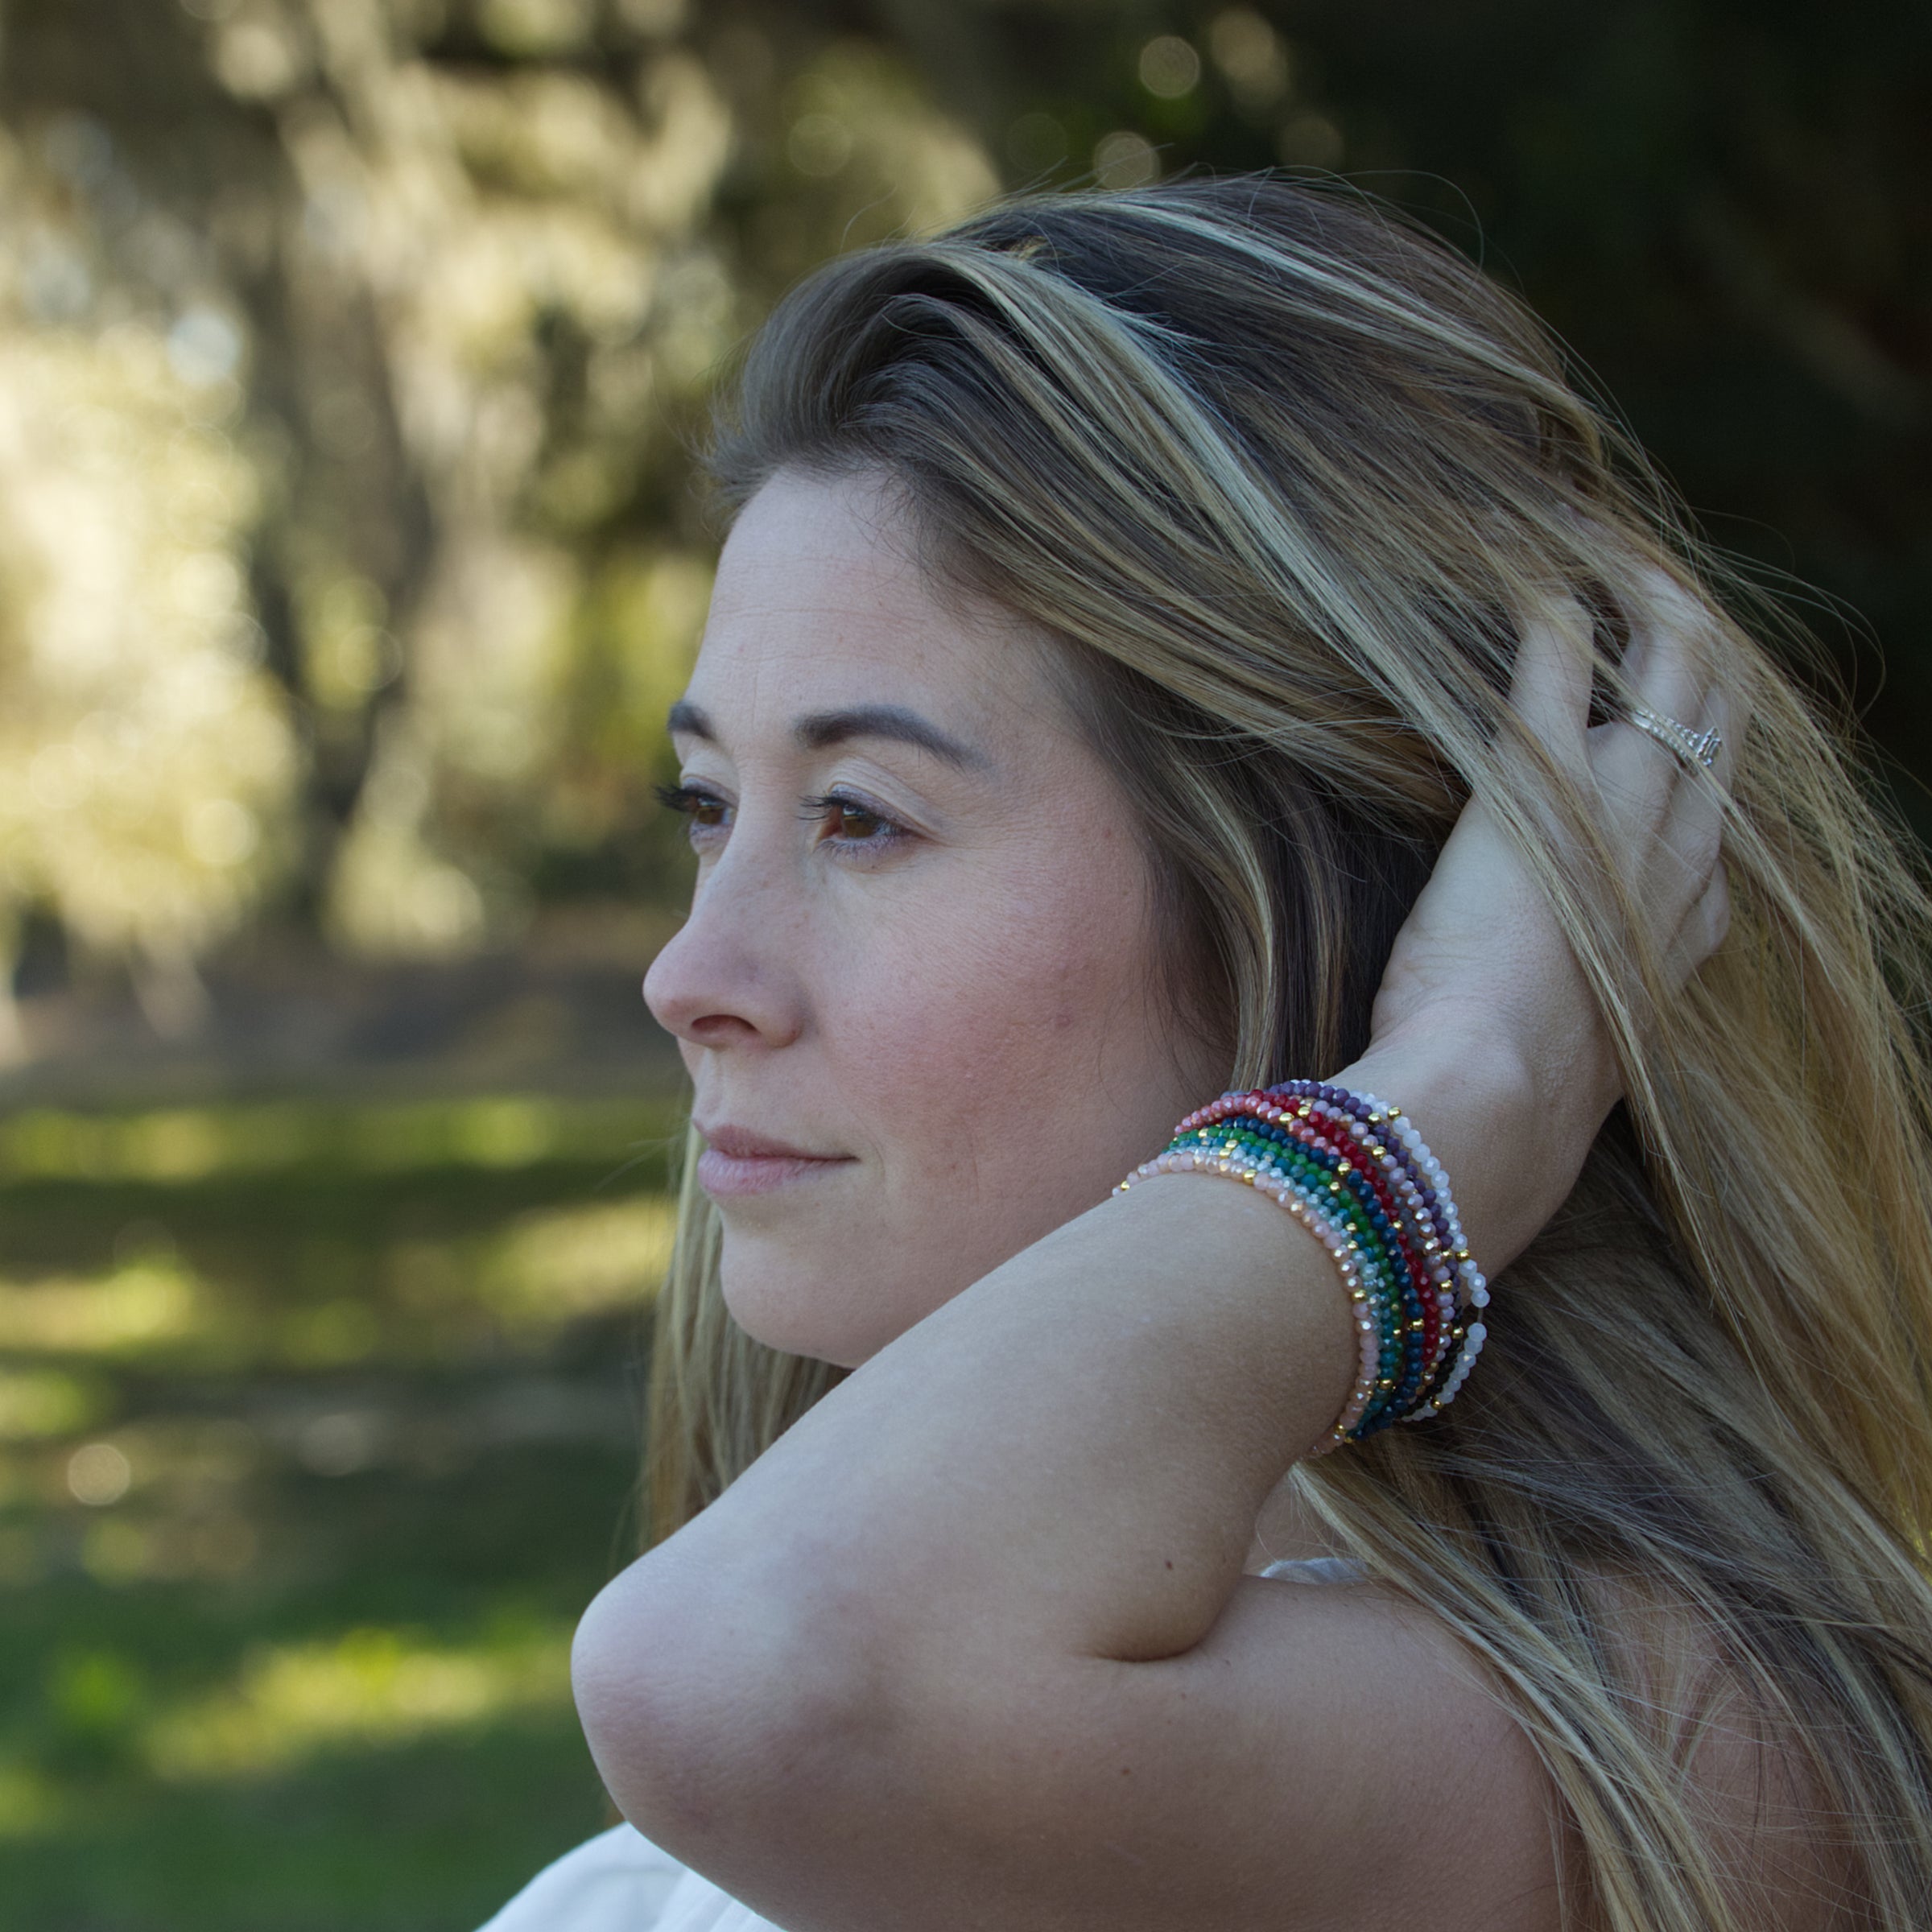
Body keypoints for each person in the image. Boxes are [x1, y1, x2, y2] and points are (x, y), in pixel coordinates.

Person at [481, 177, 1932, 1931]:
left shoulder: (1685, 1758)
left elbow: (769, 1671)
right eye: (706, 807)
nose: (690, 973)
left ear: (1326, 904)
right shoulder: (649, 1887)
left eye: (862, 819)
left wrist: (1467, 1079)